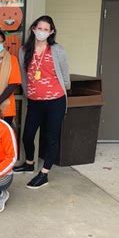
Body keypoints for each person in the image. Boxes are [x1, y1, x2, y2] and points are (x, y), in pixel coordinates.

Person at [13, 16, 70, 189]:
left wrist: (59, 90)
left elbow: (65, 75)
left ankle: (44, 173)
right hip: (35, 101)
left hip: (55, 101)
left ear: (51, 32)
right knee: (28, 135)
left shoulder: (57, 50)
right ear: (33, 29)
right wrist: (29, 91)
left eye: (46, 29)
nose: (42, 32)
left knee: (51, 137)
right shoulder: (24, 50)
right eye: (40, 28)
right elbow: (24, 75)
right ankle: (29, 163)